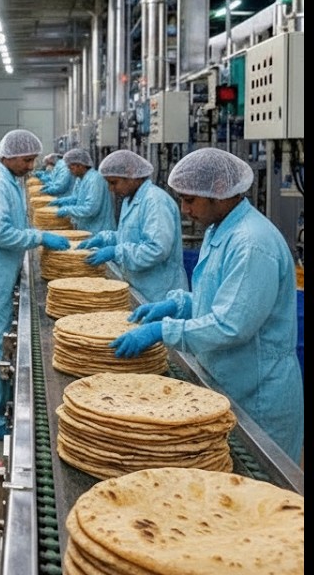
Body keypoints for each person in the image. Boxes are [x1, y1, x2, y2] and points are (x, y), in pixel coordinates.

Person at [111, 148, 303, 460]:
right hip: (228, 379)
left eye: (189, 200)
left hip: (258, 396)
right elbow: (217, 299)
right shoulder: (220, 230)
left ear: (219, 194)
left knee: (259, 494)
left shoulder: (251, 243)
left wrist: (165, 330)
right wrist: (178, 304)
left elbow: (231, 325)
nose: (184, 209)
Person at [0, 129, 72, 440]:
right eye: (27, 160)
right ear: (10, 155)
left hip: (1, 268)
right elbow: (0, 233)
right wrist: (38, 237)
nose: (31, 166)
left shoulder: (9, 180)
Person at [76, 150, 187, 303]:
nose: (111, 189)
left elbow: (156, 250)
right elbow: (128, 235)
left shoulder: (155, 201)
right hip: (139, 286)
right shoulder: (129, 200)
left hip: (159, 293)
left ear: (131, 175)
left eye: (114, 182)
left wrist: (116, 252)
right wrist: (105, 238)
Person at [48, 148, 115, 234]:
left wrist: (68, 210)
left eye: (71, 168)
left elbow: (90, 209)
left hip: (99, 229)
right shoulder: (80, 179)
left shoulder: (95, 180)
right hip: (87, 227)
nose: (70, 172)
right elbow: (77, 198)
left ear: (80, 165)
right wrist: (65, 201)